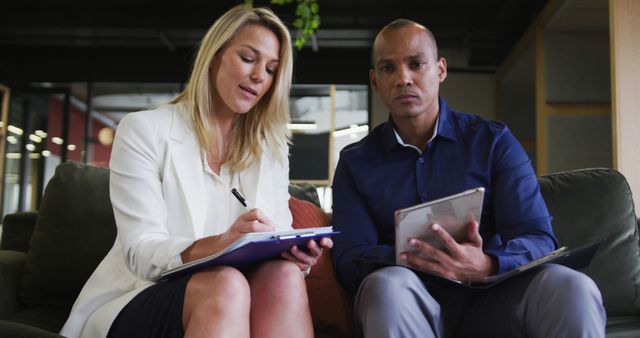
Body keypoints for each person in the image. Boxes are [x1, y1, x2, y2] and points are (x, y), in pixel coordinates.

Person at [60, 5, 332, 338]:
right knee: (225, 284)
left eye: (272, 69)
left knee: (283, 276)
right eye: (248, 58)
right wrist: (222, 243)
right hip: (140, 292)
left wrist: (295, 257)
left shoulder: (271, 151)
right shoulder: (143, 130)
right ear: (215, 56)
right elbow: (141, 253)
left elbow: (276, 236)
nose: (260, 76)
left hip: (236, 293)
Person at [331, 19, 606, 338]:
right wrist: (422, 257)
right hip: (407, 298)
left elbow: (539, 237)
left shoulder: (493, 142)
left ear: (441, 70)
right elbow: (349, 260)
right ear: (375, 81)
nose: (403, 78)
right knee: (386, 286)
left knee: (573, 286)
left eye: (416, 64)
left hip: (492, 298)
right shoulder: (355, 162)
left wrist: (488, 263)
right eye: (388, 68)